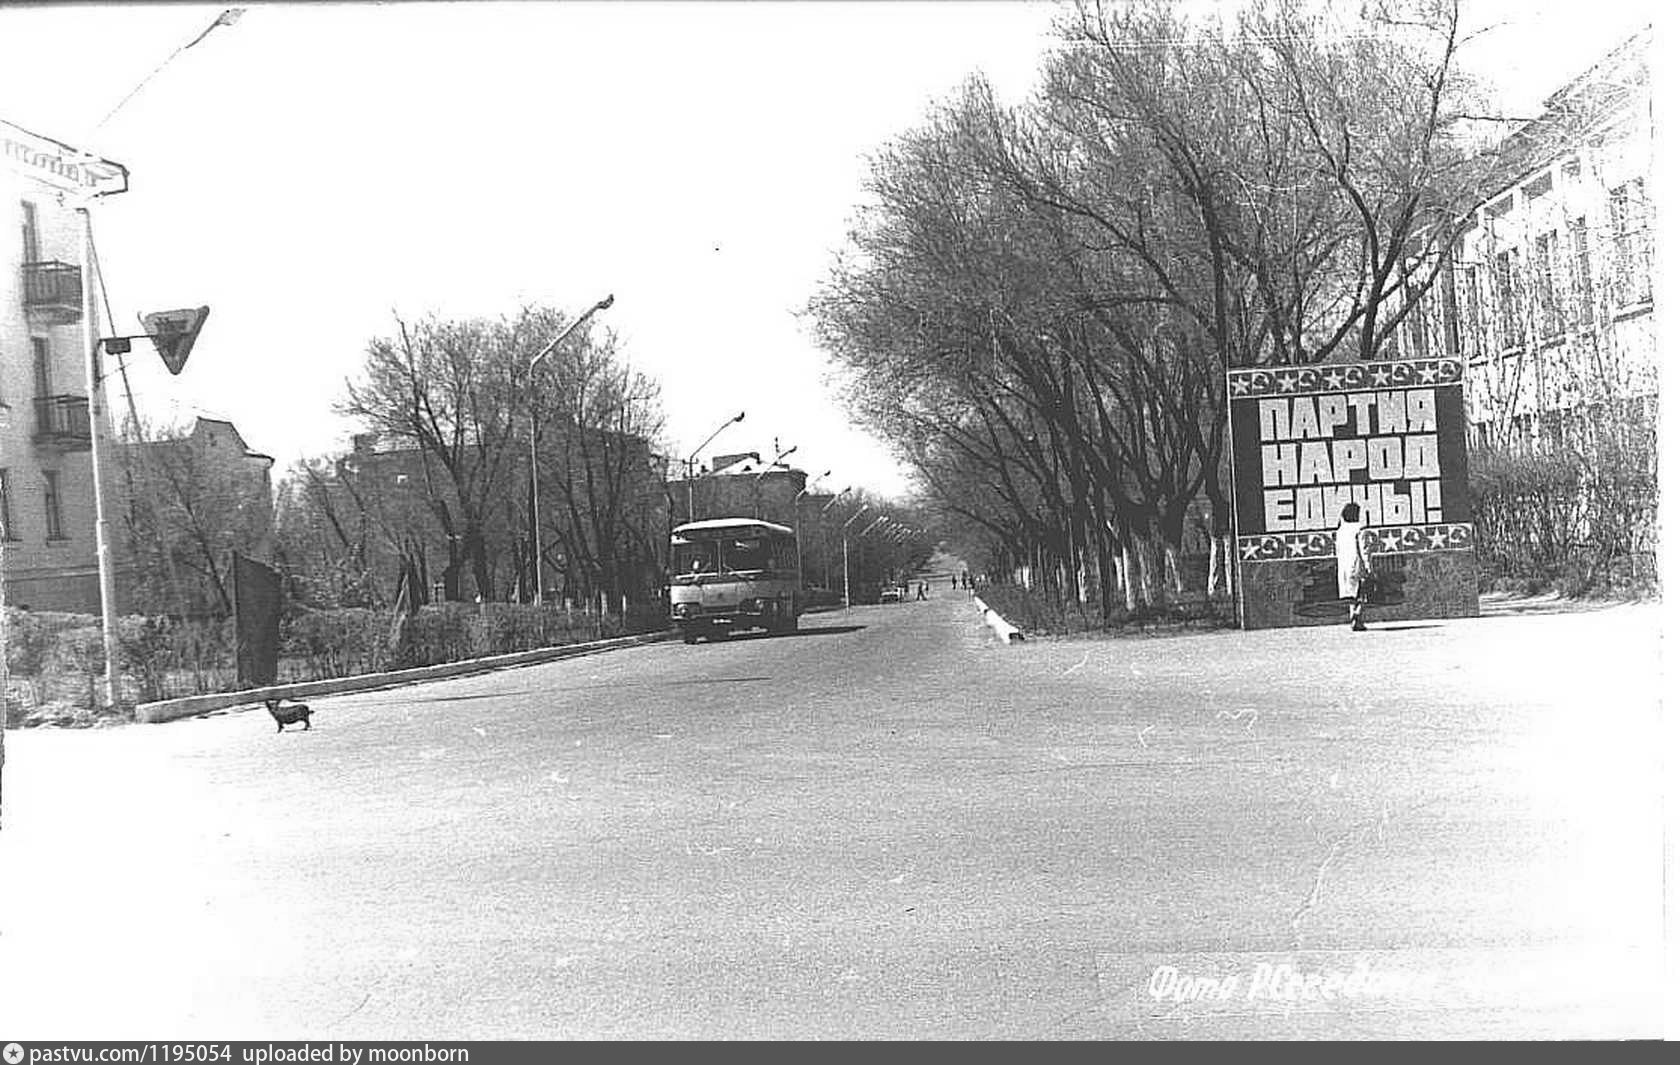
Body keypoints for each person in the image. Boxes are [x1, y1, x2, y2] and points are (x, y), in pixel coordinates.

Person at [1335, 502, 1373, 631]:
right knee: (1363, 593)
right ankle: (1357, 615)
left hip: (1344, 566)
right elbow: (1365, 550)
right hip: (1357, 564)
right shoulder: (1360, 529)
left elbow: (1338, 550)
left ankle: (1354, 619)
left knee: (1352, 595)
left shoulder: (1340, 530)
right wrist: (1368, 566)